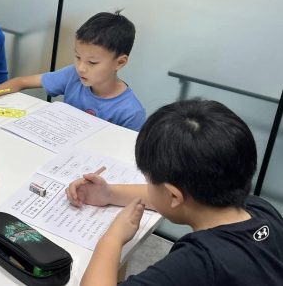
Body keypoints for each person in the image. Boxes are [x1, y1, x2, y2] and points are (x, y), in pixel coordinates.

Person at [66, 99, 283, 286]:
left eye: (149, 181)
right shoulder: (259, 209)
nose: (147, 188)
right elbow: (174, 194)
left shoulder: (197, 263)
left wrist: (113, 238)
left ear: (174, 196)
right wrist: (110, 194)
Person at [0, 11, 145, 131]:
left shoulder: (131, 112)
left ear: (120, 62)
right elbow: (21, 82)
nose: (81, 67)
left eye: (92, 62)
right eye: (77, 57)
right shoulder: (73, 75)